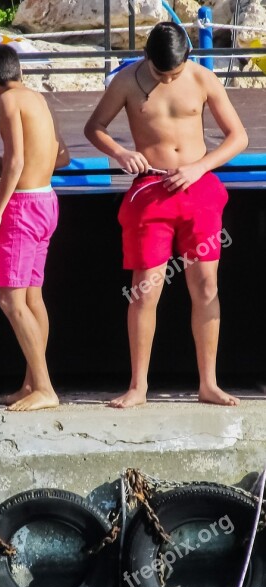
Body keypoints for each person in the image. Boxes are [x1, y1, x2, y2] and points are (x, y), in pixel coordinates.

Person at [84, 22, 248, 408]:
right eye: (161, 73)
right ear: (146, 58)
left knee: (206, 285)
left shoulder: (203, 78)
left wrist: (200, 166)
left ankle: (208, 383)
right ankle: (138, 386)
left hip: (198, 187)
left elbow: (238, 137)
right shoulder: (125, 81)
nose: (167, 79)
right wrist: (121, 153)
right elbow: (95, 127)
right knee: (145, 288)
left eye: (173, 73)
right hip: (152, 191)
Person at [0, 44, 70, 412]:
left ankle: (44, 387)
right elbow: (62, 155)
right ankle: (32, 382)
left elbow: (15, 163)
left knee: (10, 300)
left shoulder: (8, 103)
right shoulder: (38, 99)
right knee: (31, 297)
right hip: (47, 200)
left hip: (23, 208)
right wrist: (17, 165)